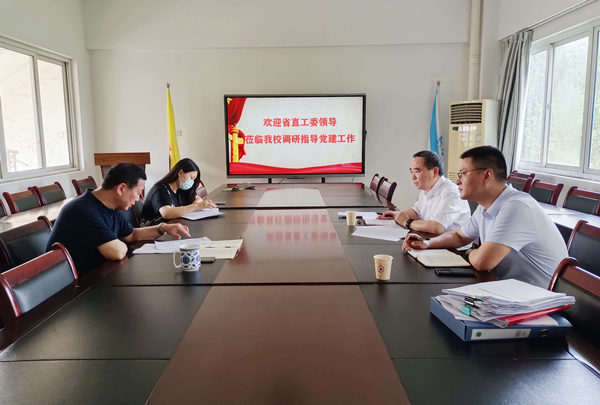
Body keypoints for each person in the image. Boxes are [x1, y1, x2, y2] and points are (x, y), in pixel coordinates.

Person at [402, 146, 567, 288]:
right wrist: (427, 243)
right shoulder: (486, 205)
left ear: (487, 175)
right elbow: (459, 236)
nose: (457, 181)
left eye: (463, 174)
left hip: (537, 300)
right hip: (506, 288)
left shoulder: (517, 207)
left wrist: (470, 252)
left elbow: (482, 262)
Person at [47, 163, 191, 275]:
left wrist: (162, 228)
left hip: (101, 274)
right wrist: (119, 243)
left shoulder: (111, 206)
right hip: (78, 288)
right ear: (121, 188)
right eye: (138, 192)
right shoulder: (82, 210)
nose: (138, 198)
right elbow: (116, 252)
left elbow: (132, 234)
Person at [378, 150, 471, 235]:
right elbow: (416, 211)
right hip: (432, 240)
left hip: (452, 246)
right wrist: (397, 215)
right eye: (411, 172)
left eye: (417, 171)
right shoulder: (426, 188)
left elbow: (437, 227)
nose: (413, 177)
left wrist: (407, 222)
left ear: (435, 172)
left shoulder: (451, 193)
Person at [140, 158, 216, 226]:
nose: (192, 182)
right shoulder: (160, 189)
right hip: (153, 231)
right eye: (191, 178)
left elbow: (197, 198)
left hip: (170, 227)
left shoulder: (180, 189)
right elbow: (166, 213)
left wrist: (196, 204)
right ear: (180, 173)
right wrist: (196, 206)